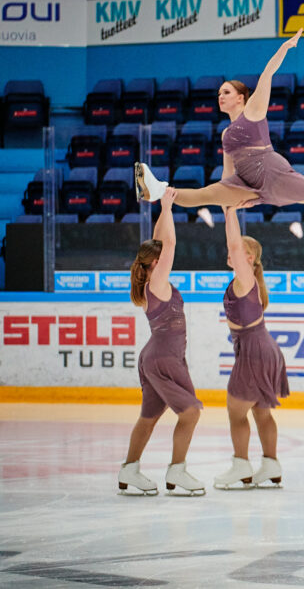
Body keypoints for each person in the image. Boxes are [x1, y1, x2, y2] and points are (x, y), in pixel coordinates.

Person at [134, 30, 304, 211]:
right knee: (208, 194)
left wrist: (285, 47)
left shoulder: (252, 112)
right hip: (248, 183)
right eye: (218, 94)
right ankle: (158, 191)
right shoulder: (226, 135)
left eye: (226, 92)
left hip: (272, 173)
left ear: (241, 97)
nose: (220, 96)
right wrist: (227, 194)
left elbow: (267, 75)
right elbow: (228, 173)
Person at [118, 188, 205, 496]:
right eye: (162, 258)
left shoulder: (149, 281)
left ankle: (129, 470)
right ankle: (177, 471)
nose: (167, 258)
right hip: (164, 358)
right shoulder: (157, 281)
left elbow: (160, 242)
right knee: (191, 412)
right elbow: (168, 244)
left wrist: (160, 208)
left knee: (149, 418)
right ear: (156, 263)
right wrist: (167, 207)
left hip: (157, 356)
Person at [214, 204, 290, 489]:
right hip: (259, 347)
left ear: (247, 258)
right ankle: (270, 464)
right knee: (260, 410)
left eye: (236, 250)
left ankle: (241, 465)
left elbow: (233, 241)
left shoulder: (245, 278)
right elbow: (234, 244)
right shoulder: (245, 280)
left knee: (236, 411)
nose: (229, 251)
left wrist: (229, 211)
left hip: (255, 349)